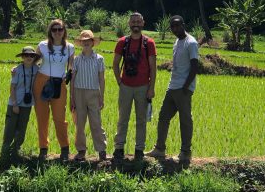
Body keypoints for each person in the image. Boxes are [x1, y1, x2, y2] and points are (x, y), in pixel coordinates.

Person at [146, 15, 199, 164]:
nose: (175, 29)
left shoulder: (191, 43)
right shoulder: (177, 41)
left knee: (185, 120)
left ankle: (185, 152)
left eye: (177, 26)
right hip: (173, 86)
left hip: (183, 88)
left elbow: (195, 67)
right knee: (163, 117)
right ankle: (160, 148)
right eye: (173, 27)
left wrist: (185, 87)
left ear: (183, 25)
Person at [112, 12, 157, 160]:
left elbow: (153, 67)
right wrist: (119, 81)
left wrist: (151, 88)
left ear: (143, 23)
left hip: (143, 87)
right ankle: (119, 148)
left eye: (138, 21)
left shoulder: (149, 43)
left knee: (141, 120)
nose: (136, 24)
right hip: (126, 86)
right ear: (129, 24)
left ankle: (139, 149)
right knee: (122, 118)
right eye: (133, 22)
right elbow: (115, 63)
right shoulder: (122, 42)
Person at [33, 19, 74, 162]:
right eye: (54, 29)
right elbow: (33, 63)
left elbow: (71, 67)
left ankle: (65, 148)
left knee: (59, 118)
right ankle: (43, 148)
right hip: (42, 81)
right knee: (42, 117)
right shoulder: (42, 45)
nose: (57, 32)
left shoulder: (70, 48)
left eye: (60, 29)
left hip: (59, 83)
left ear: (64, 31)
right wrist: (19, 70)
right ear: (50, 31)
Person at [0, 46, 40, 168]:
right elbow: (12, 88)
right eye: (26, 55)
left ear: (34, 58)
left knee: (21, 131)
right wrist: (15, 104)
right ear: (22, 57)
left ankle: (15, 154)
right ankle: (4, 157)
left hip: (27, 105)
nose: (29, 57)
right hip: (14, 104)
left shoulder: (37, 69)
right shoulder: (17, 70)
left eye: (31, 55)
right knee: (9, 131)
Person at [70, 30, 107, 161]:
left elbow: (102, 79)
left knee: (96, 122)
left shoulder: (99, 59)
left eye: (88, 41)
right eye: (83, 41)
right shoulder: (76, 60)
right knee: (80, 123)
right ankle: (81, 150)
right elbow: (73, 80)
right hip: (79, 92)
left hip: (93, 93)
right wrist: (72, 98)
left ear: (92, 43)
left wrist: (101, 96)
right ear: (80, 43)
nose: (85, 43)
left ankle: (101, 150)